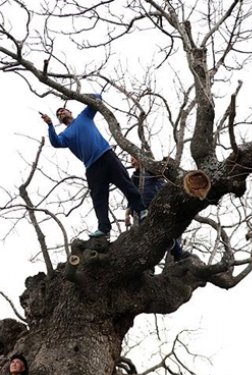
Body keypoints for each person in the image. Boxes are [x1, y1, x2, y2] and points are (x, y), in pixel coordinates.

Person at [41, 94, 148, 238]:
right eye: (58, 114)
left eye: (63, 110)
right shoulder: (65, 135)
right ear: (59, 120)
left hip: (107, 156)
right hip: (92, 168)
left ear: (70, 112)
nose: (61, 113)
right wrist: (49, 125)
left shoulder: (84, 116)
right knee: (99, 198)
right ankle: (104, 229)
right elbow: (55, 142)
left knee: (126, 183)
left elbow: (98, 97)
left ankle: (141, 210)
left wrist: (76, 96)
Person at [124, 156, 190, 261]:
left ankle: (178, 253)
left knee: (164, 231)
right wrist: (127, 214)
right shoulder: (134, 177)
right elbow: (131, 196)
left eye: (133, 160)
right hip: (141, 209)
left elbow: (164, 169)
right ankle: (148, 264)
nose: (131, 163)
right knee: (147, 236)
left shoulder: (151, 169)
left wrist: (166, 162)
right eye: (130, 161)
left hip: (156, 204)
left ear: (140, 158)